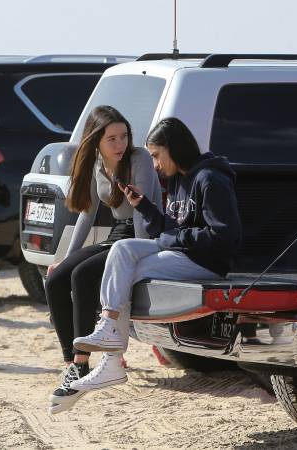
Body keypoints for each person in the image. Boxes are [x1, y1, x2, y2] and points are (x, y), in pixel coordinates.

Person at [70, 117, 242, 392]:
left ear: (173, 148)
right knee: (122, 249)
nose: (155, 164)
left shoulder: (210, 179)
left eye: (156, 155)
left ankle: (111, 360)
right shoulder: (177, 179)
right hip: (182, 251)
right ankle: (109, 327)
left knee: (130, 273)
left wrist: (177, 237)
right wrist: (145, 207)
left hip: (206, 262)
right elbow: (173, 226)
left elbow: (225, 236)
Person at [46, 105, 162, 414]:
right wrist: (65, 257)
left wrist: (139, 256)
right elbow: (86, 213)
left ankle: (82, 362)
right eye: (111, 138)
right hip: (115, 235)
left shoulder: (138, 160)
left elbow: (141, 214)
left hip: (141, 235)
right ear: (96, 141)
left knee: (82, 276)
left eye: (123, 136)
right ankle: (72, 363)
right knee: (57, 279)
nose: (119, 144)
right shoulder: (97, 163)